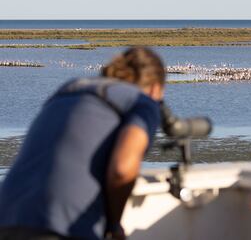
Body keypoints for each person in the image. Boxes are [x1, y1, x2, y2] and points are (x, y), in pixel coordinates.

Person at [0, 47, 165, 240]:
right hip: (62, 226)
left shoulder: (69, 89)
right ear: (155, 88)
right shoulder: (142, 101)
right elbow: (122, 169)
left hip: (7, 217)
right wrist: (114, 224)